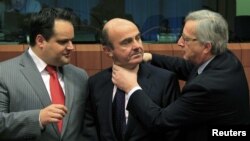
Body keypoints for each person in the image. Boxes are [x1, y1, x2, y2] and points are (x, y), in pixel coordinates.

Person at [112, 9, 250, 141]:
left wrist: (131, 87)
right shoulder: (224, 56)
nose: (179, 43)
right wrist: (151, 57)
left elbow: (160, 121)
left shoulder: (205, 88)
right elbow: (186, 67)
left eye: (186, 39)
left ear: (206, 47)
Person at [82, 18, 181, 141]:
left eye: (138, 38)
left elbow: (173, 133)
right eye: (126, 42)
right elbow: (90, 130)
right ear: (108, 51)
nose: (137, 46)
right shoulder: (95, 83)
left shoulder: (165, 80)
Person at [0, 8, 88, 141]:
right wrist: (38, 118)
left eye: (72, 41)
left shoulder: (80, 76)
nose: (71, 47)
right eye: (63, 41)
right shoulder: (4, 73)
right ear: (40, 41)